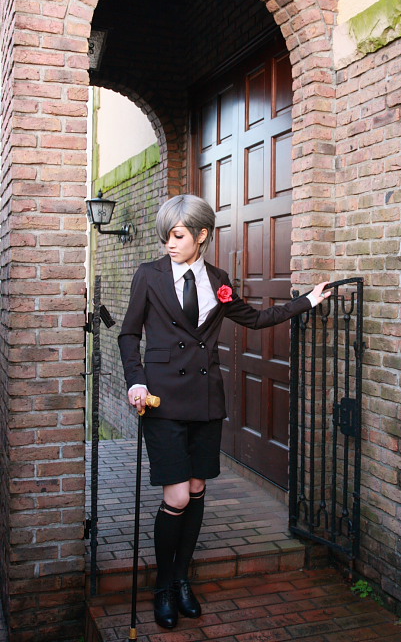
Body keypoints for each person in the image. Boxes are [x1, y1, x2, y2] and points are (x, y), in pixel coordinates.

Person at [118, 194, 331, 630]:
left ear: (201, 235)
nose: (169, 244)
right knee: (176, 496)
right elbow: (128, 334)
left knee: (197, 489)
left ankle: (182, 580)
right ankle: (163, 587)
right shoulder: (148, 275)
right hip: (161, 400)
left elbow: (254, 319)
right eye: (165, 236)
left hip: (205, 398)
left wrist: (306, 302)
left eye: (177, 236)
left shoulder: (218, 280)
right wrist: (136, 381)